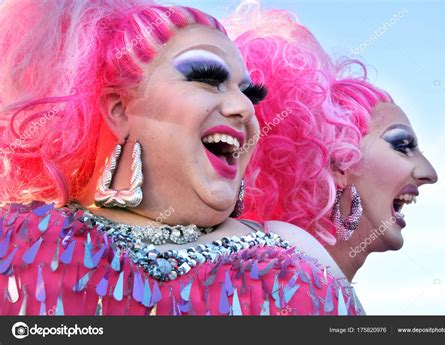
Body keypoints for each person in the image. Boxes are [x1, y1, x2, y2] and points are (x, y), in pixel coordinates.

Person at [0, 0, 358, 315]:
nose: (244, 108)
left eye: (250, 93)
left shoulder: (292, 247)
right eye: (206, 77)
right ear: (119, 109)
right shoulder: (20, 239)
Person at [226, 4, 438, 312]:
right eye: (402, 145)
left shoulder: (316, 286)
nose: (429, 173)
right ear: (340, 162)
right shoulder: (284, 286)